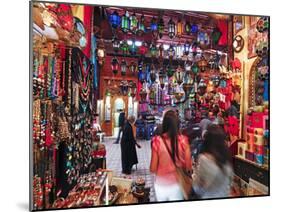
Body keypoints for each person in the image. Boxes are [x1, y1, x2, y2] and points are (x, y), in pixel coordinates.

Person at [150, 110, 192, 201]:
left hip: (161, 185)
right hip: (177, 185)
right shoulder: (183, 141)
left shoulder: (157, 141)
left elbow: (152, 169)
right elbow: (189, 167)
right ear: (177, 124)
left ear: (164, 123)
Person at [192, 124, 233, 199]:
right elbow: (229, 183)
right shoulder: (227, 157)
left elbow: (197, 188)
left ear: (207, 140)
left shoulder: (203, 159)